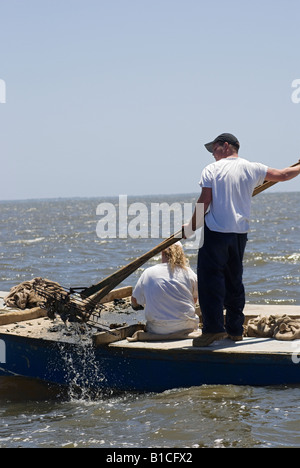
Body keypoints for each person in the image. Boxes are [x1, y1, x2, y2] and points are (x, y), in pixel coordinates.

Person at [184, 133, 300, 347]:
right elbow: (283, 175)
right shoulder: (252, 168)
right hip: (239, 234)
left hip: (216, 231)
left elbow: (205, 200)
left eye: (214, 149)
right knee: (234, 281)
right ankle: (235, 330)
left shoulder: (211, 170)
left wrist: (190, 227)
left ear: (226, 146)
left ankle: (213, 330)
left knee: (210, 281)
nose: (212, 154)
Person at [131, 242, 199, 335]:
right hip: (187, 326)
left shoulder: (149, 272)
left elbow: (134, 301)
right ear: (181, 254)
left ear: (162, 253)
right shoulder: (189, 272)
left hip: (158, 329)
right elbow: (194, 300)